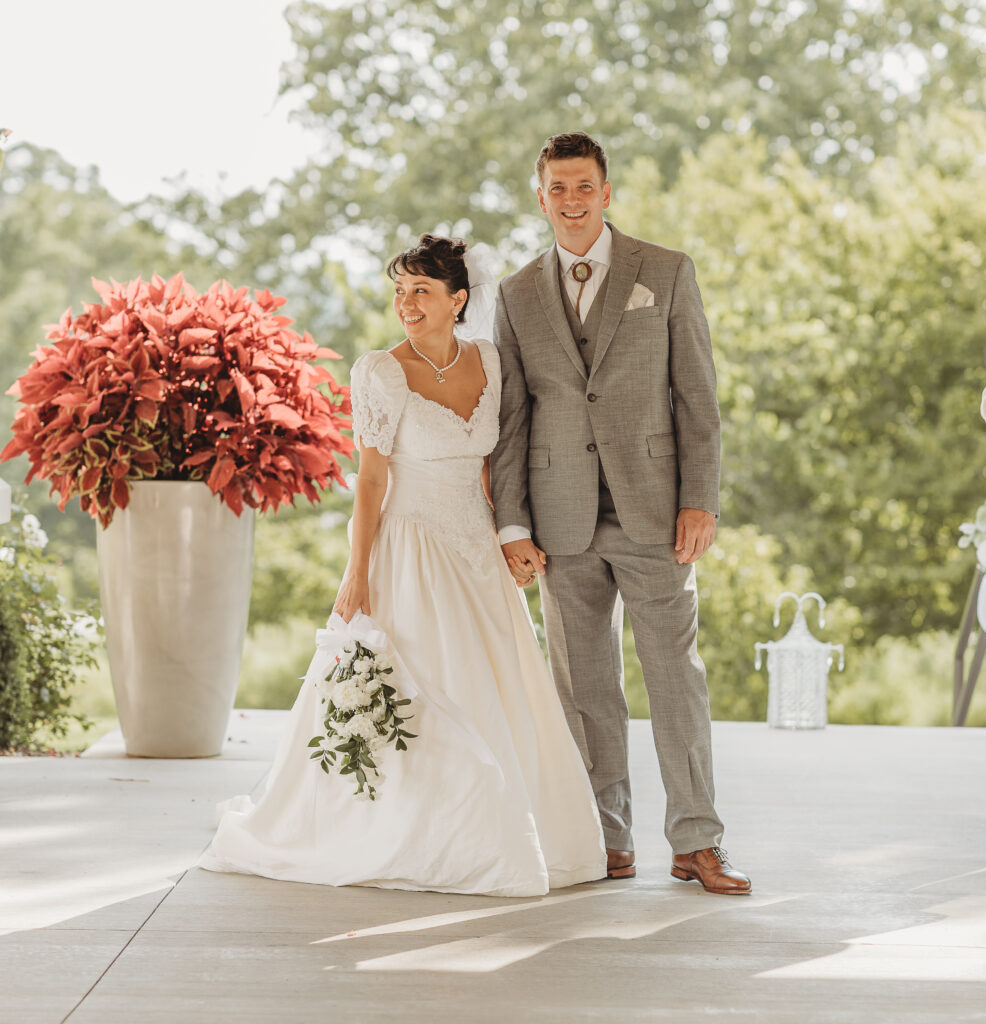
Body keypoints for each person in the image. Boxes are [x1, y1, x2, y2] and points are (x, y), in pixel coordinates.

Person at [201, 234, 606, 897]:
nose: (407, 304)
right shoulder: (378, 371)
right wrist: (359, 572)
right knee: (421, 684)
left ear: (458, 300)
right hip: (408, 547)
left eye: (421, 291)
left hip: (474, 549)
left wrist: (508, 538)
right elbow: (368, 484)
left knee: (498, 686)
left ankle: (507, 830)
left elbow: (488, 465)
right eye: (399, 291)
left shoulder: (491, 362)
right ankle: (406, 834)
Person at [491, 132, 751, 895]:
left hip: (656, 511)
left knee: (677, 678)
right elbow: (511, 418)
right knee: (586, 690)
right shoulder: (514, 294)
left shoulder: (664, 271)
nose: (570, 201)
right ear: (540, 197)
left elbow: (696, 395)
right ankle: (606, 838)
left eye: (583, 187)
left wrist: (700, 497)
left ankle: (697, 841)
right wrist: (512, 523)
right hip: (559, 518)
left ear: (606, 191)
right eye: (556, 189)